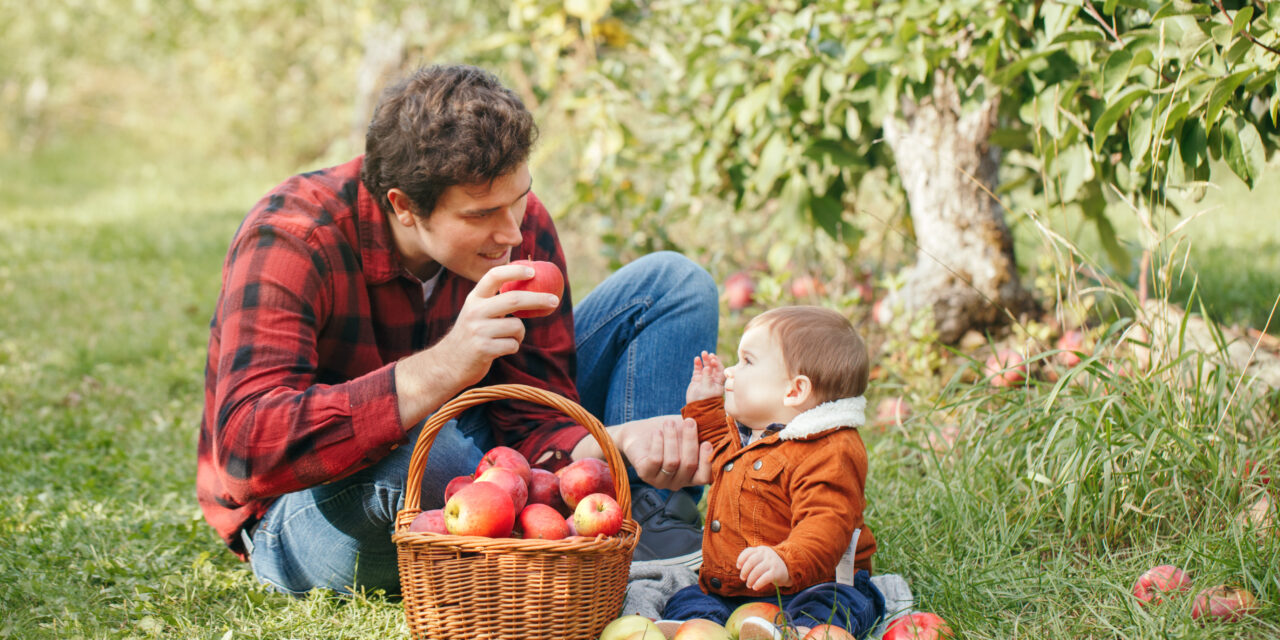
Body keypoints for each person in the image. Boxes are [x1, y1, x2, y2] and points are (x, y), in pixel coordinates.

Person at [197, 64, 716, 596]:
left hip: (485, 460)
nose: (513, 231)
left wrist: (614, 442)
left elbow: (532, 414)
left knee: (673, 283)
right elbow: (244, 452)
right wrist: (443, 367)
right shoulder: (293, 237)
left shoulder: (513, 220)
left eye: (520, 198)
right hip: (315, 509)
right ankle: (559, 539)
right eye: (482, 214)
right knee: (431, 448)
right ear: (403, 206)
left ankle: (637, 516)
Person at [661, 306, 885, 636]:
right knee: (690, 601)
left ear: (794, 391)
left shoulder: (830, 449)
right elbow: (715, 454)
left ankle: (795, 632)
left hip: (813, 582)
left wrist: (785, 560)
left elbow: (827, 522)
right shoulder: (750, 432)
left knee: (835, 608)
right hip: (738, 587)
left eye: (747, 362)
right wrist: (704, 404)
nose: (730, 373)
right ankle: (695, 628)